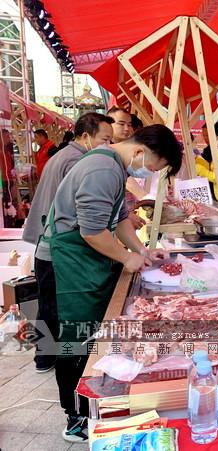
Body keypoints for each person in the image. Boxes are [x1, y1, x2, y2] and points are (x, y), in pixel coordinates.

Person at [34, 124, 181, 443]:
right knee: (73, 337)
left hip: (84, 258)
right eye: (153, 167)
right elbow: (91, 231)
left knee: (91, 334)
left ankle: (96, 403)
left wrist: (141, 250)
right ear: (141, 151)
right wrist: (126, 258)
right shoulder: (102, 167)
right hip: (65, 260)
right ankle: (75, 418)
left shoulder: (114, 167)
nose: (148, 173)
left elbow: (119, 220)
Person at [24, 112, 114, 373]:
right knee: (54, 306)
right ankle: (47, 358)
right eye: (104, 140)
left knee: (47, 303)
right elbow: (84, 211)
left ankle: (43, 357)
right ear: (86, 136)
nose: (108, 147)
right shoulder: (80, 159)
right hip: (57, 244)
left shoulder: (63, 154)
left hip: (47, 238)